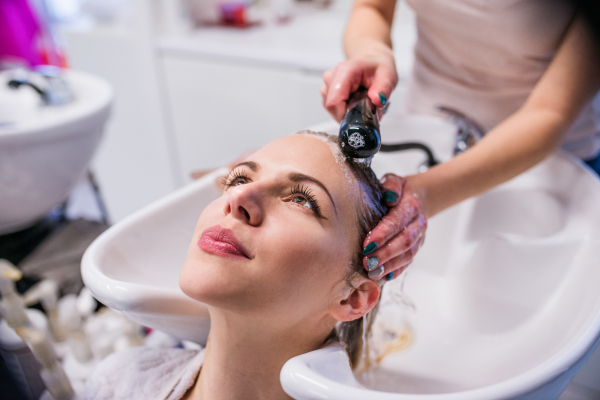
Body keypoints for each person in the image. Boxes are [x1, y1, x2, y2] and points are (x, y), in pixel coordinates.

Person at [82, 132, 390, 400]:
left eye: (301, 200)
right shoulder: (119, 382)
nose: (239, 196)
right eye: (239, 179)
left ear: (353, 298)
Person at [321, 0, 600, 283]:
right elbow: (372, 8)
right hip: (428, 139)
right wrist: (373, 52)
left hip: (541, 166)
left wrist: (427, 193)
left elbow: (551, 112)